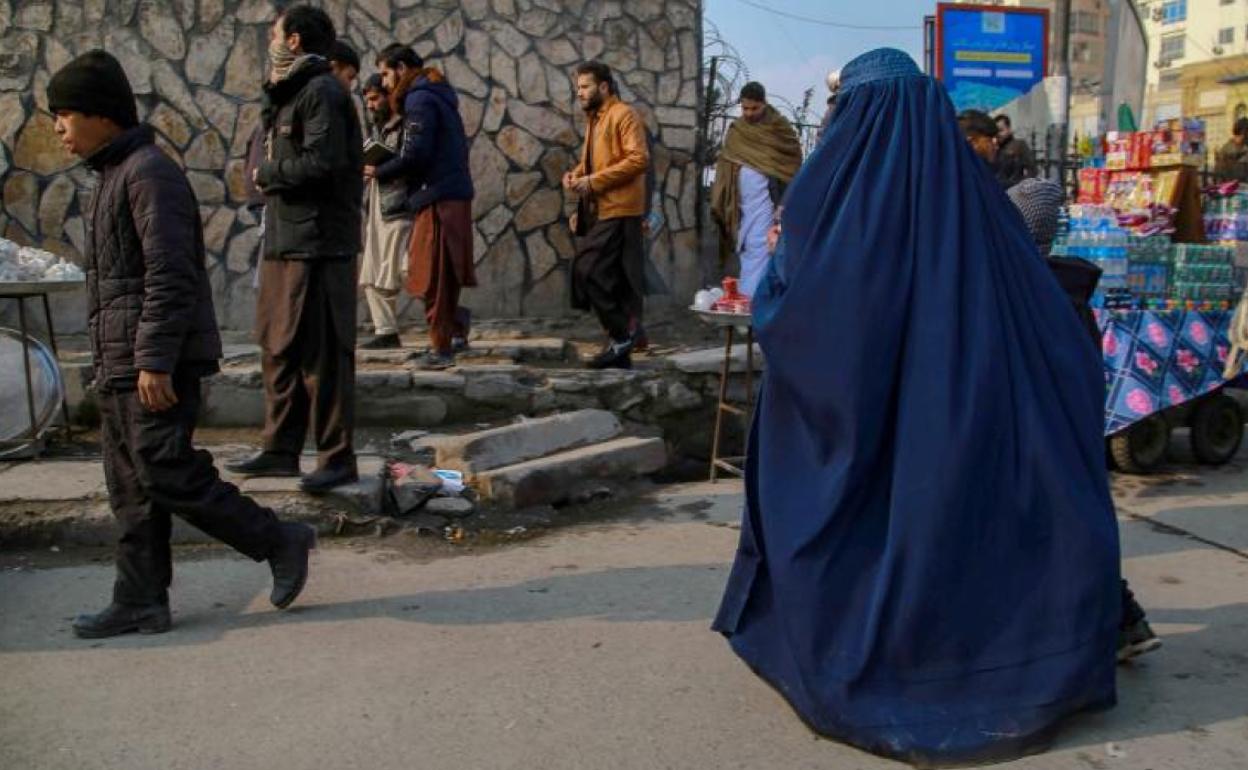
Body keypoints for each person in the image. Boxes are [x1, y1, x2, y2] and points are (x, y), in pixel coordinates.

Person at [712, 49, 1122, 765]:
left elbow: (803, 319)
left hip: (873, 425)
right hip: (968, 423)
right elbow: (1047, 314)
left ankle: (877, 661)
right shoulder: (978, 201)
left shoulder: (828, 197)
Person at [46, 51, 315, 638]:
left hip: (153, 363)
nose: (58, 129)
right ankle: (140, 601)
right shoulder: (113, 176)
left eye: (64, 115)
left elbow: (170, 275)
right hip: (122, 362)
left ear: (100, 114)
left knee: (167, 471)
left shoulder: (148, 174)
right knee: (131, 488)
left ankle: (279, 539)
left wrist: (154, 360)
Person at [965, 109, 1164, 664]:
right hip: (1067, 438)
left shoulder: (1024, 295)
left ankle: (1097, 630)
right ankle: (1119, 622)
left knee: (1051, 535)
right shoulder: (1064, 290)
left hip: (1034, 439)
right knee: (1073, 531)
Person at [226, 5, 364, 494]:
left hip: (319, 246)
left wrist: (268, 175)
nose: (269, 40)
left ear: (295, 40)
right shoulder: (290, 93)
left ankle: (336, 458)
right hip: (286, 240)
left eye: (275, 33)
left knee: (323, 356)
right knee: (278, 346)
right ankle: (280, 449)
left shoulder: (323, 91)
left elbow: (322, 163)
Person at [372, 44, 475, 370]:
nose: (384, 82)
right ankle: (450, 334)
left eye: (386, 74)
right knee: (438, 274)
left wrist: (378, 170)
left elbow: (416, 153)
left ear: (401, 68)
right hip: (445, 195)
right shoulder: (434, 95)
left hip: (437, 198)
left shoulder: (419, 99)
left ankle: (441, 349)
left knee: (434, 276)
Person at [564, 60, 650, 370]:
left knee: (587, 269)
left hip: (621, 209)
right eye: (578, 88)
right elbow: (594, 163)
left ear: (603, 87)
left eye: (585, 87)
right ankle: (620, 347)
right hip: (602, 210)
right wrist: (576, 175)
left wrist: (593, 182)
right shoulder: (596, 119)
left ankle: (624, 334)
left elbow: (638, 159)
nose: (579, 93)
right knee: (607, 277)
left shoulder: (623, 114)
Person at [710, 82, 802, 296]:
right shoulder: (737, 130)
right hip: (739, 205)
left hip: (768, 204)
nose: (749, 113)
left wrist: (784, 204)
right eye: (745, 108)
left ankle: (752, 301)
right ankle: (749, 298)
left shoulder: (779, 129)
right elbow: (726, 161)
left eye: (754, 108)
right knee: (745, 249)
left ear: (764, 104)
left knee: (760, 249)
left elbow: (791, 166)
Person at [357, 73, 412, 350]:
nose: (370, 105)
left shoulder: (407, 125)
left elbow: (411, 160)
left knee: (409, 270)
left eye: (375, 98)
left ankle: (452, 321)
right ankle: (386, 331)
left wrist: (380, 169)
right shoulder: (379, 129)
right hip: (379, 207)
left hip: (401, 207)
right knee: (373, 273)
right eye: (367, 100)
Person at [995, 113, 1036, 187]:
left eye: (1001, 130)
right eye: (996, 131)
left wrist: (1022, 185)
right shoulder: (994, 147)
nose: (998, 134)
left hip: (1014, 188)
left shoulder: (1019, 145)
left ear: (1009, 129)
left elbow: (1032, 169)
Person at [1215, 117, 1248, 182]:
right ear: (1243, 132)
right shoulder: (1226, 151)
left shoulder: (1244, 147)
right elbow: (1219, 175)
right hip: (1231, 186)